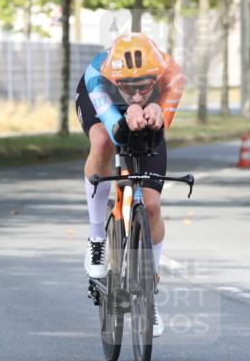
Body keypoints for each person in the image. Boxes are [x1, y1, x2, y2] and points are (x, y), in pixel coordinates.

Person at [75, 32, 184, 338]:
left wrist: (159, 112)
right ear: (116, 80)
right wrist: (126, 115)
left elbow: (160, 124)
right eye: (129, 87)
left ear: (157, 78)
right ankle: (97, 237)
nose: (136, 94)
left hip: (147, 111)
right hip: (104, 105)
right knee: (102, 144)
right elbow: (114, 129)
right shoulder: (99, 77)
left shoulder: (172, 76)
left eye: (144, 87)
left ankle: (148, 290)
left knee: (151, 206)